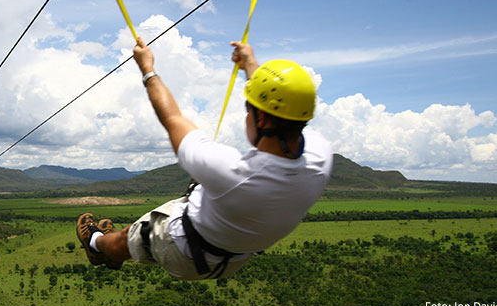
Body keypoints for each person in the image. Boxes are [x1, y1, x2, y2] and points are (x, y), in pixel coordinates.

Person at [76, 37, 333, 280]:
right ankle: (111, 248)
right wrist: (251, 66)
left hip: (184, 249)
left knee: (129, 237)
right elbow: (287, 110)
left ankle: (97, 246)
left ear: (261, 119)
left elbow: (173, 118)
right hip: (231, 254)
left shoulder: (232, 173)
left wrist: (148, 69)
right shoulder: (319, 157)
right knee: (151, 221)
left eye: (248, 109)